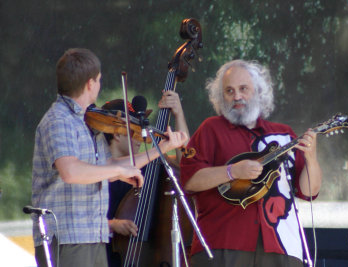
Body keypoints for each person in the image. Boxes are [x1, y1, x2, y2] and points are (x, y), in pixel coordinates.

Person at [31, 48, 187, 267]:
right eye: (99, 80)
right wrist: (118, 172)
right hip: (68, 236)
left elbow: (109, 165)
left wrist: (161, 148)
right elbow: (70, 171)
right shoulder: (59, 121)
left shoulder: (86, 123)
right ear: (89, 84)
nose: (99, 84)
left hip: (92, 236)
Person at [180, 59, 322, 267]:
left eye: (243, 89)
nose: (237, 96)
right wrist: (232, 171)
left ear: (258, 91)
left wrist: (311, 159)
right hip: (223, 246)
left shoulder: (283, 135)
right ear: (221, 97)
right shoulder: (211, 129)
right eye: (229, 91)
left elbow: (309, 192)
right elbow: (190, 180)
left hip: (282, 248)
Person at [103, 91, 190, 266]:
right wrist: (112, 224)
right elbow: (82, 219)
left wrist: (178, 113)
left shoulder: (149, 168)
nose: (140, 137)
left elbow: (187, 166)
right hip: (108, 257)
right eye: (133, 131)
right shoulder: (97, 171)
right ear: (117, 134)